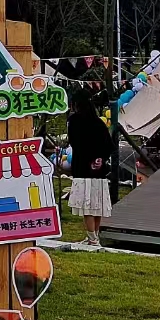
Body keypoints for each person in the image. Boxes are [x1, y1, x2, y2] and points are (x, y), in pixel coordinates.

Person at [66, 89, 113, 249]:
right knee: (97, 204)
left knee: (87, 206)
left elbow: (76, 143)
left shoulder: (75, 120)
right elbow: (108, 145)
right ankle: (94, 236)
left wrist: (90, 159)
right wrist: (100, 158)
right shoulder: (98, 122)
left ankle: (92, 239)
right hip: (99, 170)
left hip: (82, 167)